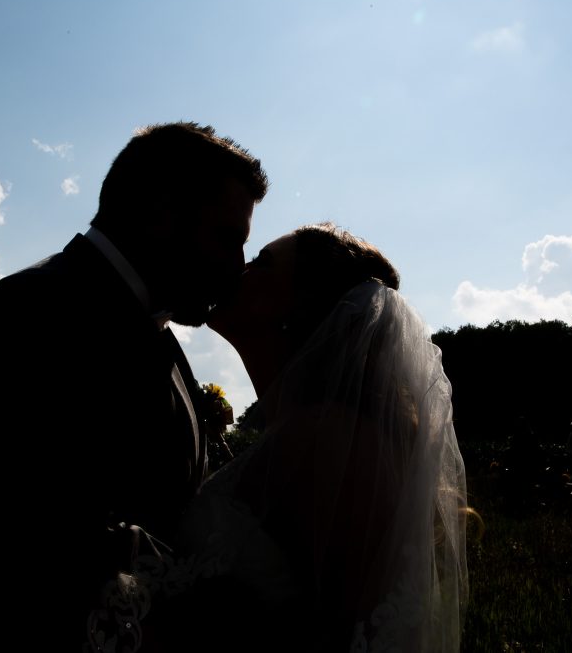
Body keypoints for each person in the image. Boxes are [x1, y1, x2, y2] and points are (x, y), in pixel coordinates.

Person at [0, 122, 268, 651]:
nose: (238, 267)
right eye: (227, 239)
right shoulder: (32, 314)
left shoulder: (157, 334)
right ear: (162, 213)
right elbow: (1, 535)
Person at [119, 224, 469, 652]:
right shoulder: (300, 427)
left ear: (300, 307)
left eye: (261, 263)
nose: (238, 269)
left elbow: (334, 630)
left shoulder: (329, 439)